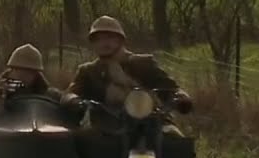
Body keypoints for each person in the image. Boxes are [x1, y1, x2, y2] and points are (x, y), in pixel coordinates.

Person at [66, 16, 194, 134]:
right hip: (106, 126)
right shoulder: (88, 71)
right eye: (98, 39)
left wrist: (181, 97)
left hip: (150, 121)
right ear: (93, 43)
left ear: (120, 40)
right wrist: (75, 101)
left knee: (175, 139)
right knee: (87, 142)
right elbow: (70, 92)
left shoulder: (143, 63)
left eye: (110, 37)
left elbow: (169, 87)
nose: (104, 43)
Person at [0, 44, 81, 152]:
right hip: (3, 149)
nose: (23, 75)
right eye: (18, 70)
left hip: (40, 150)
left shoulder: (47, 93)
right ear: (11, 69)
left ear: (37, 74)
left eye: (29, 72)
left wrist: (73, 101)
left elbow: (66, 100)